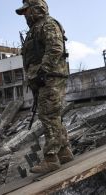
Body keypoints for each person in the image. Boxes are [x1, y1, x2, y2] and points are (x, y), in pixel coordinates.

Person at [16, 0, 73, 173]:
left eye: (26, 11)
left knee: (48, 116)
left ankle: (51, 158)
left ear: (36, 9)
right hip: (43, 79)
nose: (25, 15)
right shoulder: (34, 30)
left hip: (50, 77)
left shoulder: (47, 24)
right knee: (53, 116)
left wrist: (44, 70)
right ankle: (64, 152)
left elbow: (55, 48)